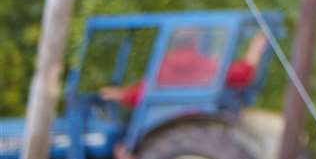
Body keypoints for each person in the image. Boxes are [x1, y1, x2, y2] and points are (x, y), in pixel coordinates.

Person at [100, 28, 264, 110]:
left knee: (121, 150)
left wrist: (117, 94)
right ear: (196, 41)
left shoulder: (165, 66)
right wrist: (256, 47)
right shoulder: (203, 64)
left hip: (173, 127)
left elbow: (141, 94)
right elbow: (243, 74)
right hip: (198, 124)